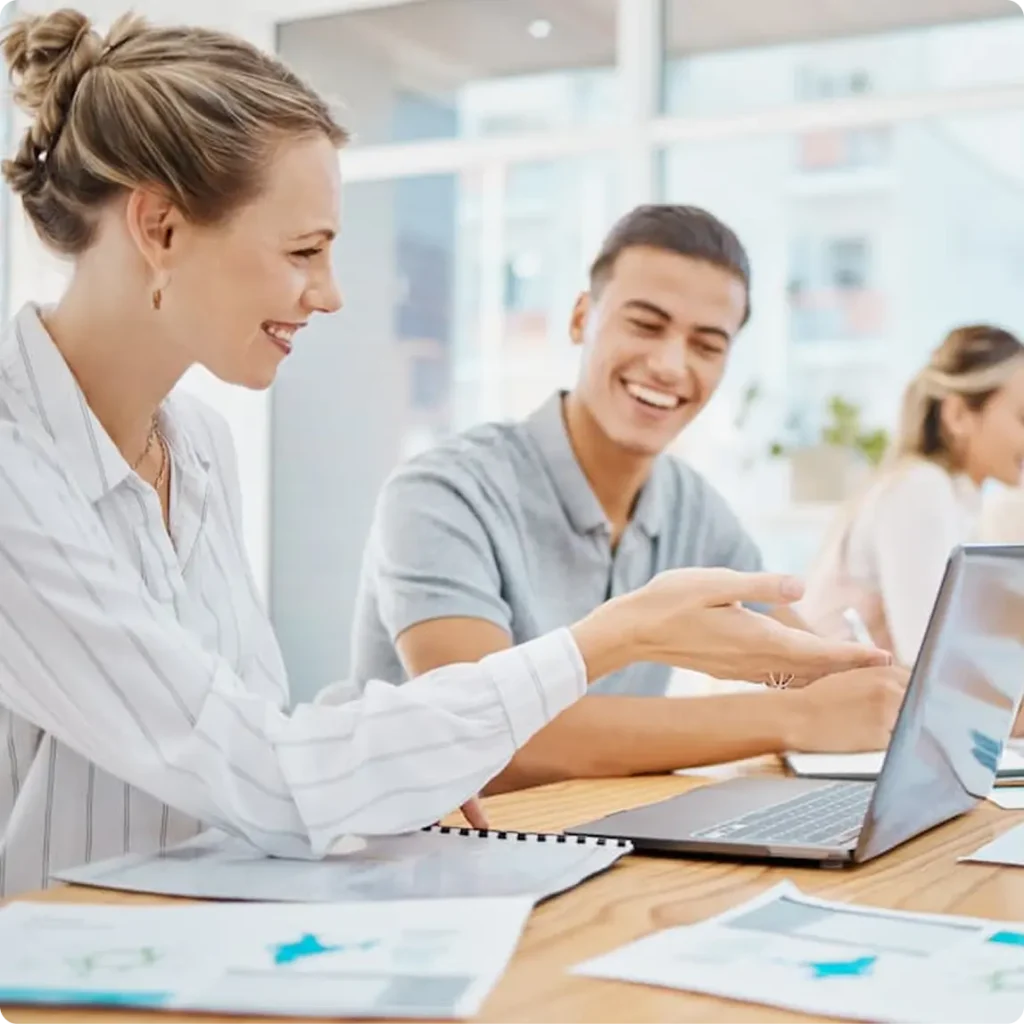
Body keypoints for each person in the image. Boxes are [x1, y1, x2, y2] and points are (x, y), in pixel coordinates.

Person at [0, 12, 888, 898]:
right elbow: (266, 777)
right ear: (158, 227)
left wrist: (404, 754)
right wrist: (618, 637)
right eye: (305, 250)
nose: (332, 293)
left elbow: (225, 734)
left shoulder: (195, 446)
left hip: (190, 926)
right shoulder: (16, 468)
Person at [350, 205, 907, 795]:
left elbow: (804, 668)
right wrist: (796, 718)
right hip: (405, 849)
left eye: (707, 344)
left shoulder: (693, 508)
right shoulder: (443, 492)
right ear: (580, 318)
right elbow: (482, 735)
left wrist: (890, 693)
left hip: (582, 840)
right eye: (645, 324)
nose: (670, 365)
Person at [800, 325, 1024, 667]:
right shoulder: (920, 489)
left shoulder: (959, 502)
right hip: (819, 709)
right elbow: (932, 663)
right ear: (958, 415)